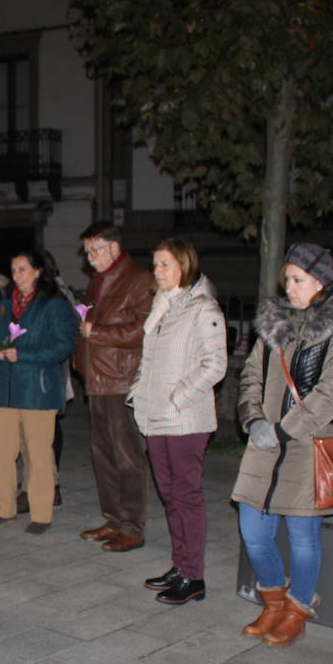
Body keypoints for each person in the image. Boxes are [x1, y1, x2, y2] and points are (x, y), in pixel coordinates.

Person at [232, 243, 333, 647]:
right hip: (264, 444)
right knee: (254, 531)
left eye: (297, 279)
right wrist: (253, 419)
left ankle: (297, 608)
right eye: (286, 279)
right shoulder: (277, 323)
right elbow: (251, 374)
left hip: (310, 447)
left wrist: (285, 428)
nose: (288, 287)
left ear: (321, 281)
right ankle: (272, 599)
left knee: (304, 538)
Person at [132, 238, 227, 605]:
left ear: (184, 266)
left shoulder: (203, 308)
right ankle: (180, 564)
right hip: (155, 414)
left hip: (185, 418)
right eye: (155, 264)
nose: (158, 271)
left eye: (165, 265)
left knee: (186, 496)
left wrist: (179, 396)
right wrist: (140, 389)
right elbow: (151, 359)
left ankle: (194, 575)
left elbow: (215, 364)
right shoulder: (162, 307)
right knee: (169, 495)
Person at [0, 250, 78, 534]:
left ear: (37, 271)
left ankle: (41, 514)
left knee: (38, 454)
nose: (17, 275)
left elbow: (64, 345)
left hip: (38, 390)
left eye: (23, 269)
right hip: (4, 390)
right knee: (2, 452)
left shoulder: (53, 305)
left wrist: (22, 354)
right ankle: (5, 507)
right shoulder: (3, 305)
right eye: (14, 269)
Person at [74, 221, 155, 552]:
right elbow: (88, 324)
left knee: (127, 455)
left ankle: (132, 527)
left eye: (95, 249)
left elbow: (146, 328)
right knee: (102, 455)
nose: (90, 256)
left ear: (114, 247)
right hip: (96, 378)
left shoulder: (139, 278)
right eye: (87, 250)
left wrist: (99, 334)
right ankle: (113, 519)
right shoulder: (98, 281)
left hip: (121, 379)